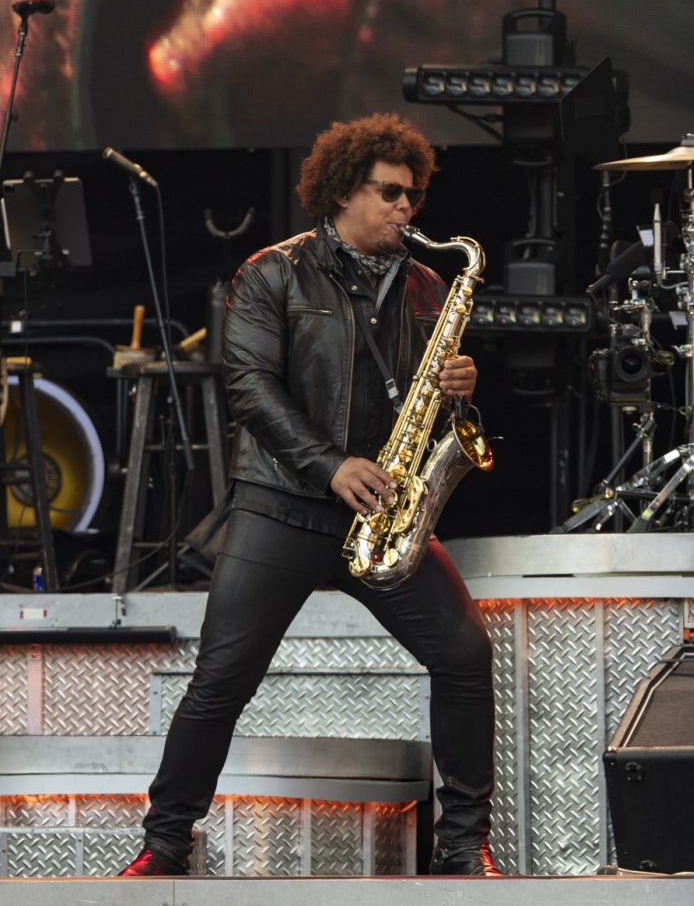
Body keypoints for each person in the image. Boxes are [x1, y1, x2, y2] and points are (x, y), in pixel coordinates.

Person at [118, 113, 501, 878]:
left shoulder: (429, 285)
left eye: (414, 195)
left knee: (465, 654)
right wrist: (328, 465)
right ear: (340, 189)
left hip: (384, 515)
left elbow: (422, 411)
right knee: (220, 681)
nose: (406, 209)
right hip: (282, 506)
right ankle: (165, 843)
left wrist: (461, 394)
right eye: (390, 193)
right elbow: (250, 389)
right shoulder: (273, 272)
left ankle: (462, 844)